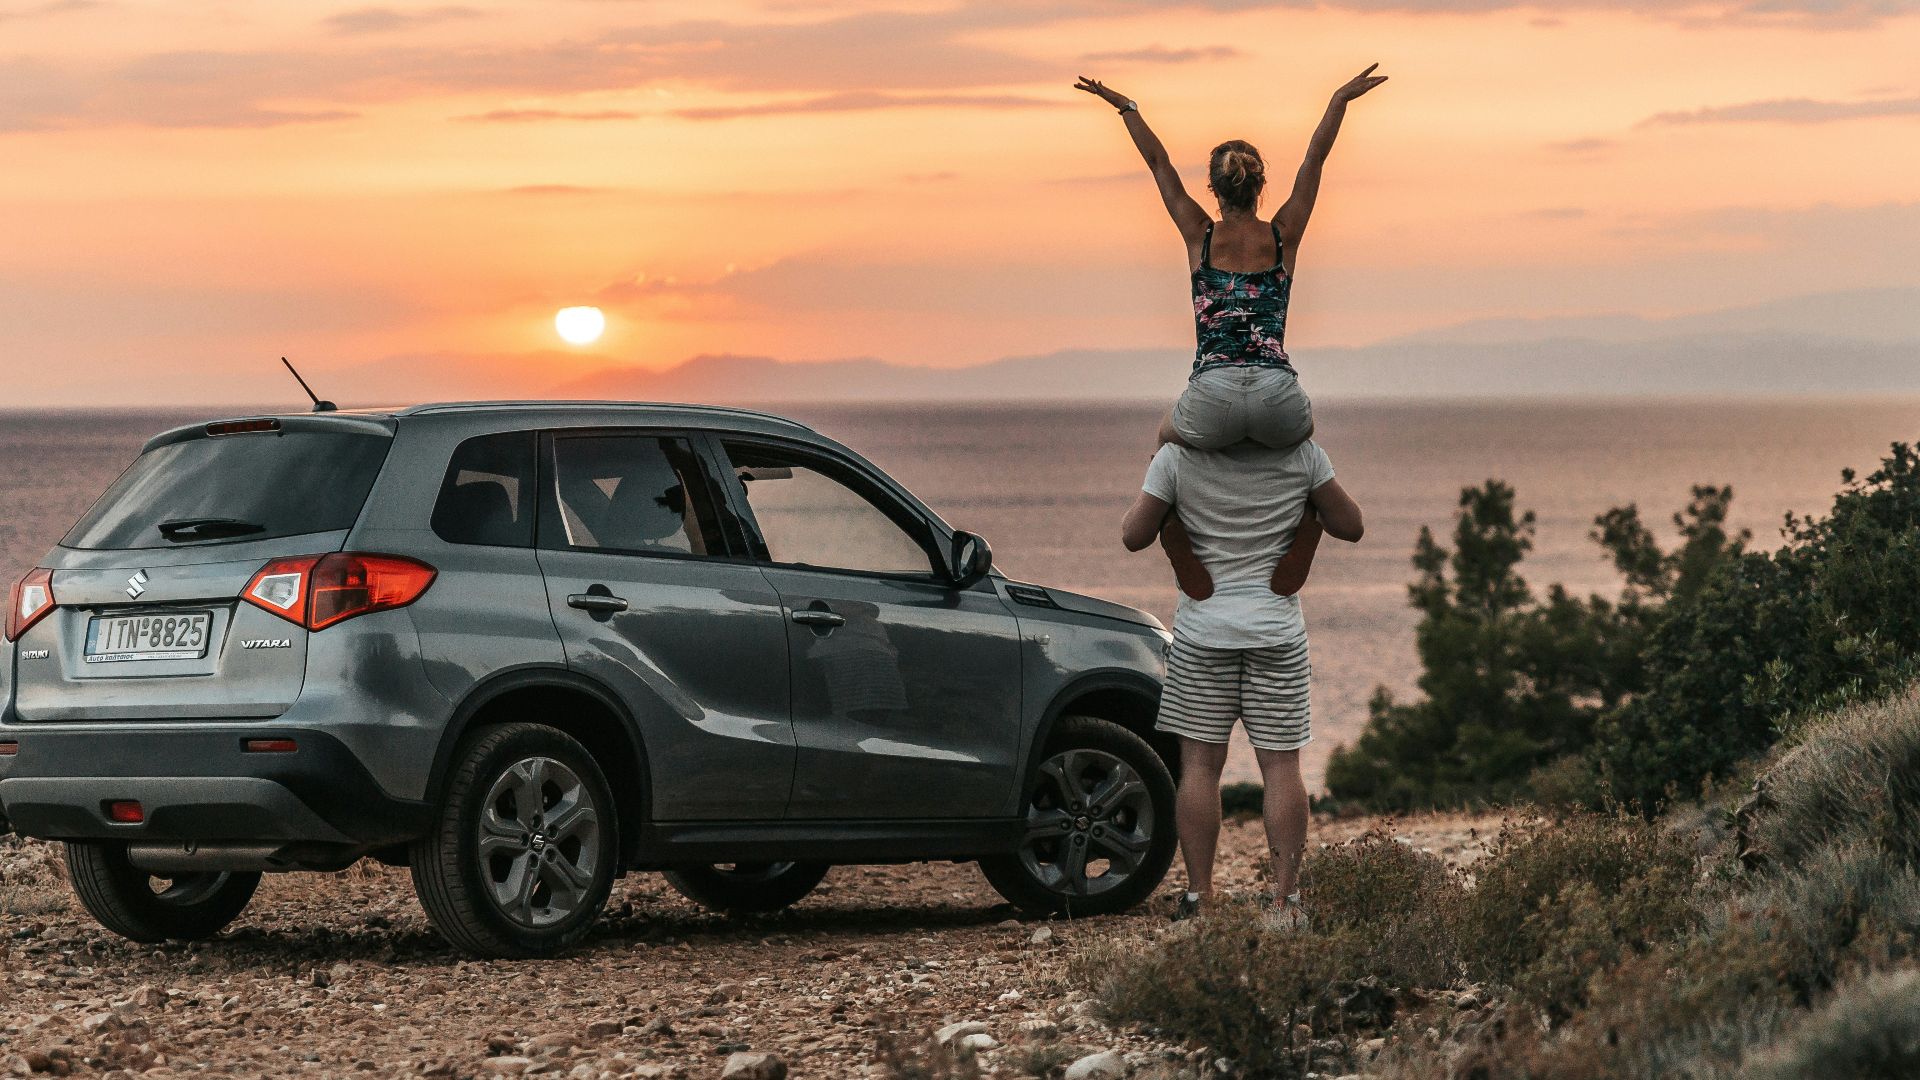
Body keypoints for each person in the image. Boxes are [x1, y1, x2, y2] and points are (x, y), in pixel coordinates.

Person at [1074, 66, 1388, 452]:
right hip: (1278, 396)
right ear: (1261, 187)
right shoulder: (1282, 235)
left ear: (1213, 189)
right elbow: (1315, 159)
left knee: (1164, 442)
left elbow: (1159, 163)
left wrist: (1127, 107)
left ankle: (1166, 514)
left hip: (1212, 397)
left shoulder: (1199, 235)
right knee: (1307, 458)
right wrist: (1338, 100)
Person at [1121, 438, 1363, 921]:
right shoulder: (1301, 454)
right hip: (1276, 629)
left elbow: (1132, 535)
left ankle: (1199, 896)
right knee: (1281, 767)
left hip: (1203, 631)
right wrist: (1312, 503)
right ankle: (1286, 899)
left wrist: (1163, 486)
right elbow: (1352, 526)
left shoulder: (1177, 457)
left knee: (1200, 768)